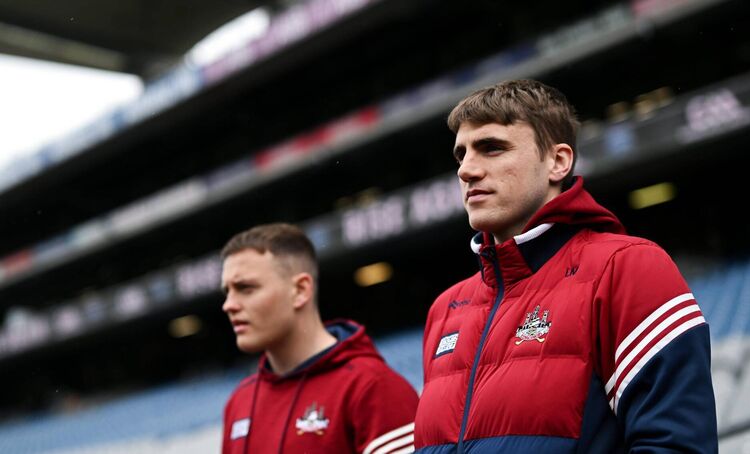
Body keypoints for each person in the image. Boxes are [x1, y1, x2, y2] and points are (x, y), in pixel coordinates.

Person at [414, 80, 717, 452]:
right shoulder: (444, 310)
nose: (466, 171)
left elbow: (675, 446)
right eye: (461, 155)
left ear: (558, 161)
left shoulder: (627, 268)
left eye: (491, 148)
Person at [220, 223, 418, 454]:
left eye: (246, 288)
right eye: (227, 291)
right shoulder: (239, 402)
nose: (229, 305)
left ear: (301, 290)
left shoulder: (373, 388)